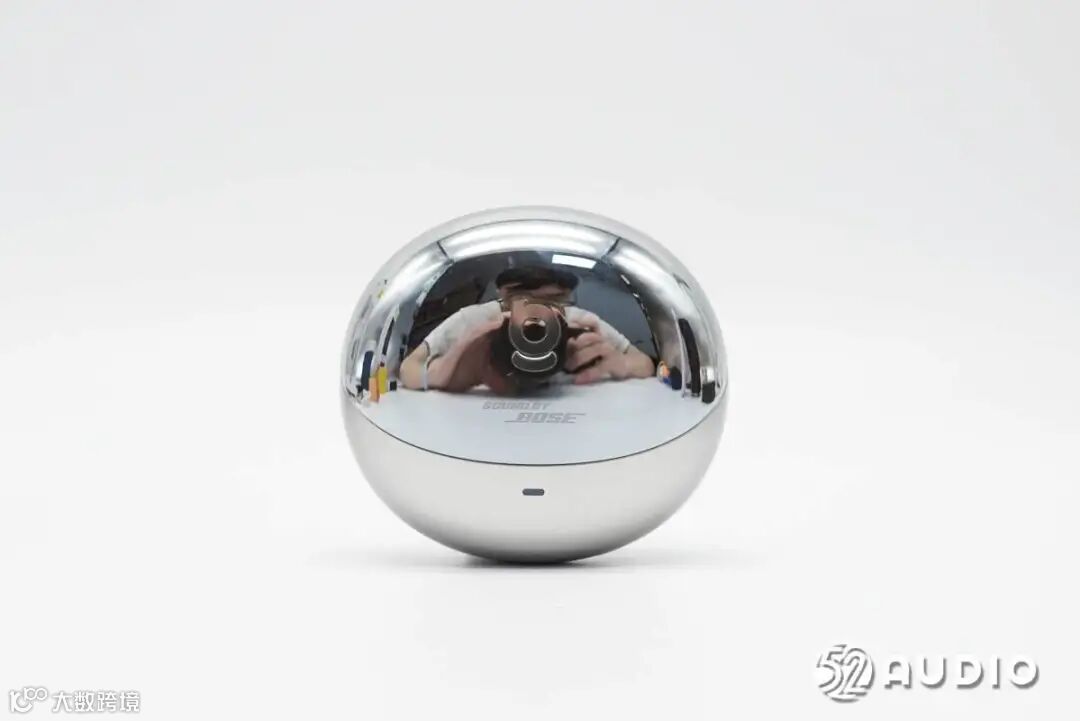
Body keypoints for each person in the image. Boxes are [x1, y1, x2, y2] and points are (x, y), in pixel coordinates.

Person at [400, 266, 655, 393]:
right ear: (502, 297)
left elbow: (644, 364)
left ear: (567, 299)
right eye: (524, 299)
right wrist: (440, 372)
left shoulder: (580, 323)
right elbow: (408, 368)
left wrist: (622, 364)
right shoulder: (472, 321)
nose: (537, 314)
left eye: (553, 301)